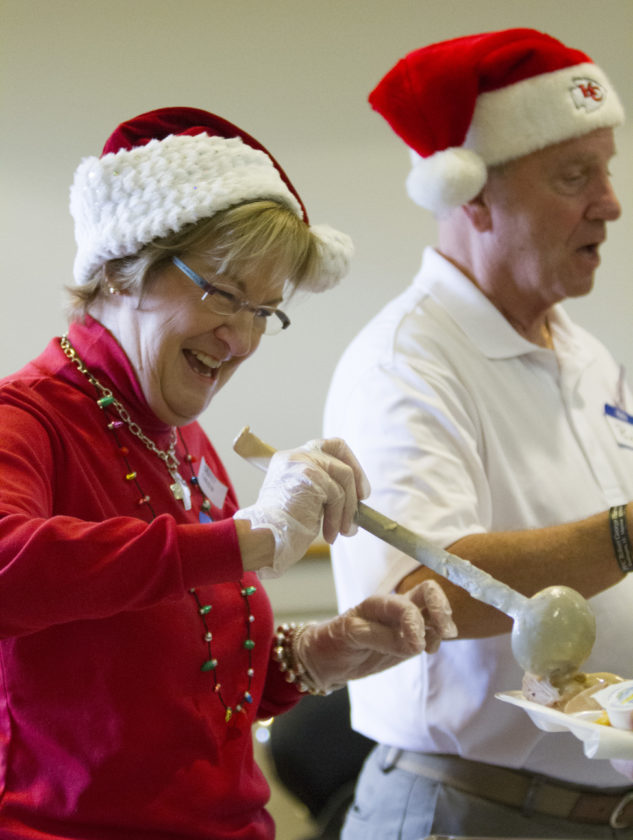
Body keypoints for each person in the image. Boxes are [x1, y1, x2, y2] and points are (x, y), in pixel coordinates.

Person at [0, 107, 458, 840]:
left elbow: (188, 688)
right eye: (222, 292)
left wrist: (319, 655)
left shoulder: (178, 436)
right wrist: (247, 537)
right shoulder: (28, 418)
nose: (241, 338)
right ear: (120, 269)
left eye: (264, 311)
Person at [324, 28, 633, 839]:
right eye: (574, 176)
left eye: (605, 170)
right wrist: (625, 535)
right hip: (468, 813)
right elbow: (413, 596)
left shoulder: (586, 355)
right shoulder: (404, 364)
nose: (609, 202)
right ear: (472, 196)